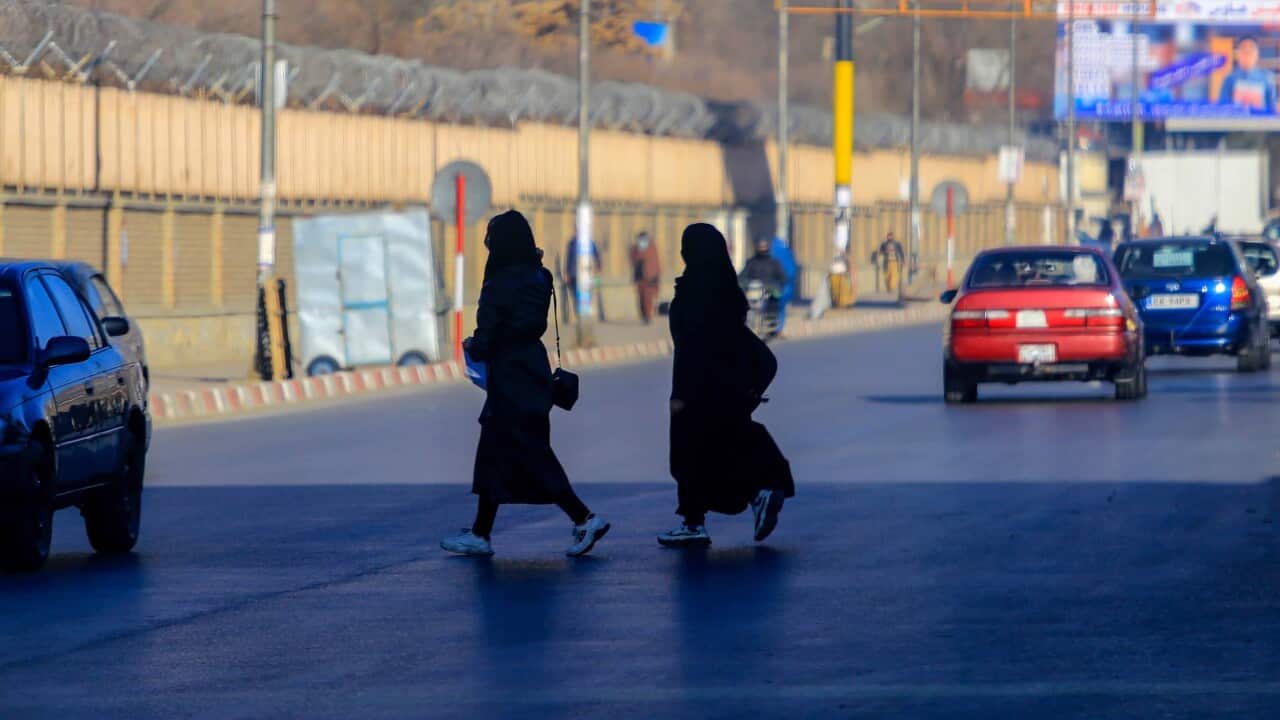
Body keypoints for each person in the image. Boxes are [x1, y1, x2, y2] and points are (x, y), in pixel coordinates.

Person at [441, 210, 610, 558]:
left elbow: (487, 336)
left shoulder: (498, 284)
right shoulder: (540, 276)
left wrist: (474, 345)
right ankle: (481, 533)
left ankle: (584, 517)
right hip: (534, 370)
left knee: (531, 454)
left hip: (509, 378)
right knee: (496, 454)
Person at [658, 224, 796, 548]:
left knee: (690, 458)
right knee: (726, 453)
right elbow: (755, 353)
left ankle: (694, 522)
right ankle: (757, 495)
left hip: (697, 395)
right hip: (728, 395)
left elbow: (690, 352)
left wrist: (680, 397)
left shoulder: (692, 295)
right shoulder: (728, 294)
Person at [1218, 36, 1277, 113]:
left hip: (1261, 120)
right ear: (1237, 54)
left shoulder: (1267, 78)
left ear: (1257, 54)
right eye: (1243, 49)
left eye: (1251, 49)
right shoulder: (1229, 79)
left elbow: (1272, 108)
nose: (1247, 52)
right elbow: (1222, 108)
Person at [561, 234, 603, 323]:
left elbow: (596, 255)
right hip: (574, 274)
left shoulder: (589, 242)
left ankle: (584, 315)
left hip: (586, 274)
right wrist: (567, 273)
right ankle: (579, 316)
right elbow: (568, 259)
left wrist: (598, 266)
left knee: (585, 295)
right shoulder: (572, 243)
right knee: (576, 296)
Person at [630, 231, 662, 324]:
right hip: (640, 277)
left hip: (650, 277)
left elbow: (656, 263)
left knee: (648, 298)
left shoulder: (652, 248)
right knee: (641, 298)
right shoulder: (635, 249)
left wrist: (656, 276)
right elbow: (633, 261)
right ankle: (644, 316)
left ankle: (648, 316)